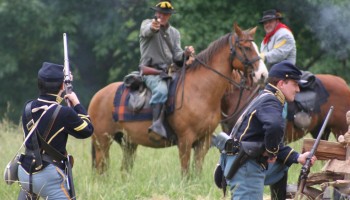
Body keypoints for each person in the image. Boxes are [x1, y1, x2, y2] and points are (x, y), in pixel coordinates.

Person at [219, 61, 317, 200]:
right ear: (281, 83)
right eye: (295, 84)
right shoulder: (271, 101)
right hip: (246, 166)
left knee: (281, 165)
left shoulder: (266, 97)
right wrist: (272, 152)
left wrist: (297, 157)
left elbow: (268, 140)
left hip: (245, 161)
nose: (298, 89)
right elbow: (274, 127)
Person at [17, 62, 94, 199]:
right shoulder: (64, 113)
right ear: (62, 86)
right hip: (46, 175)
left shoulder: (27, 107)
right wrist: (76, 104)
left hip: (24, 172)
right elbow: (87, 130)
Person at [139, 0, 195, 140]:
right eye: (160, 13)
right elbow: (147, 31)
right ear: (156, 13)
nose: (162, 16)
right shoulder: (146, 24)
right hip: (152, 72)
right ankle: (156, 124)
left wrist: (186, 54)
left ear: (169, 15)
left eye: (166, 14)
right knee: (161, 90)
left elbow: (177, 55)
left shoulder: (174, 33)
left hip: (170, 72)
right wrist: (153, 27)